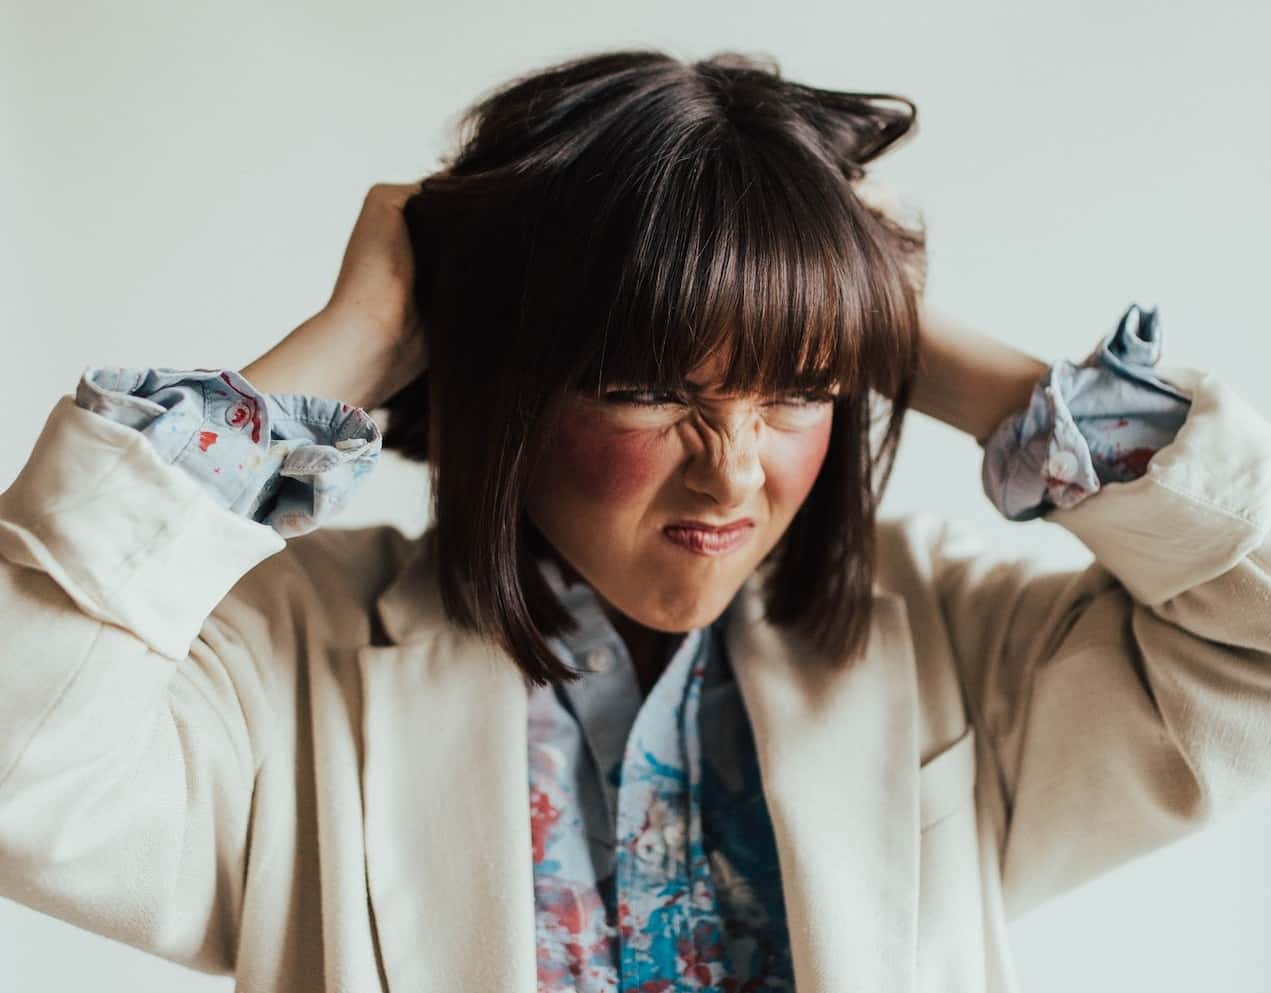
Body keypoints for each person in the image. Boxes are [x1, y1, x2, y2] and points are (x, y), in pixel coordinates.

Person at [1, 48, 1268, 993]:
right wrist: (353, 341)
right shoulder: (285, 663)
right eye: (649, 391)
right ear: (511, 387)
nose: (730, 479)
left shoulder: (950, 646)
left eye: (797, 394)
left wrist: (896, 331)